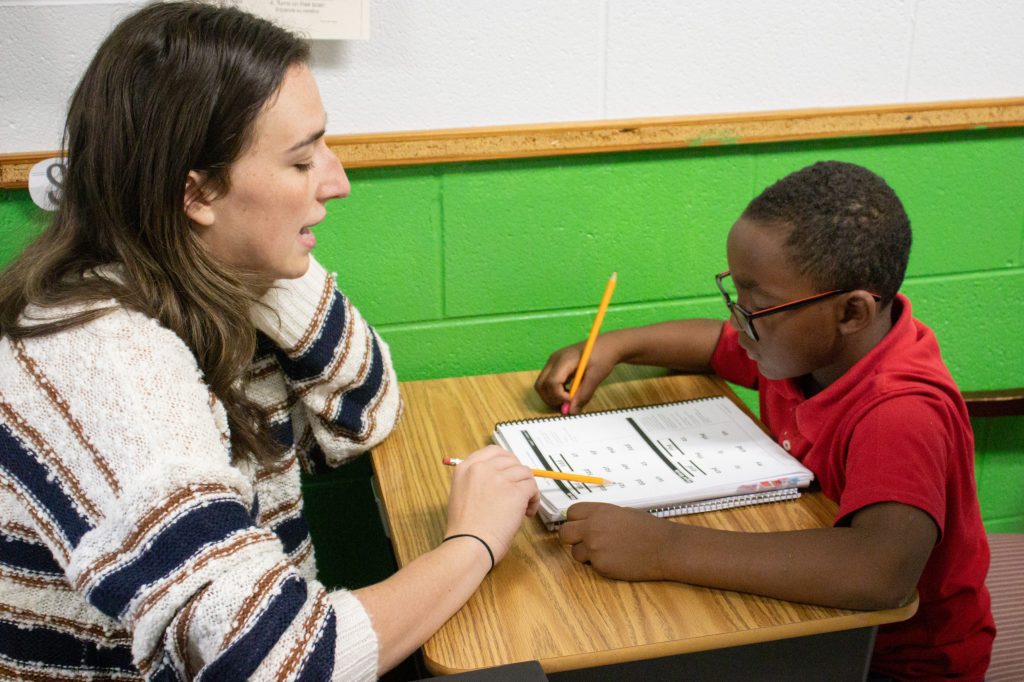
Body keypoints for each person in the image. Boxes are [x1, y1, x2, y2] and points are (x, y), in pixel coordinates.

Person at [0, 2, 538, 680]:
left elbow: (364, 412)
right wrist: (474, 542)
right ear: (197, 191)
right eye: (302, 160)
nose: (338, 182)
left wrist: (273, 258)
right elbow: (280, 664)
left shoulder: (206, 279)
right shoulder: (99, 359)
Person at [535, 161, 994, 680]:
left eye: (755, 308)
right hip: (813, 623)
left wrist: (664, 547)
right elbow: (712, 345)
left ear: (851, 313)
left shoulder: (901, 412)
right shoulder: (803, 348)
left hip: (892, 661)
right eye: (736, 296)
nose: (738, 322)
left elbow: (879, 571)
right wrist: (617, 347)